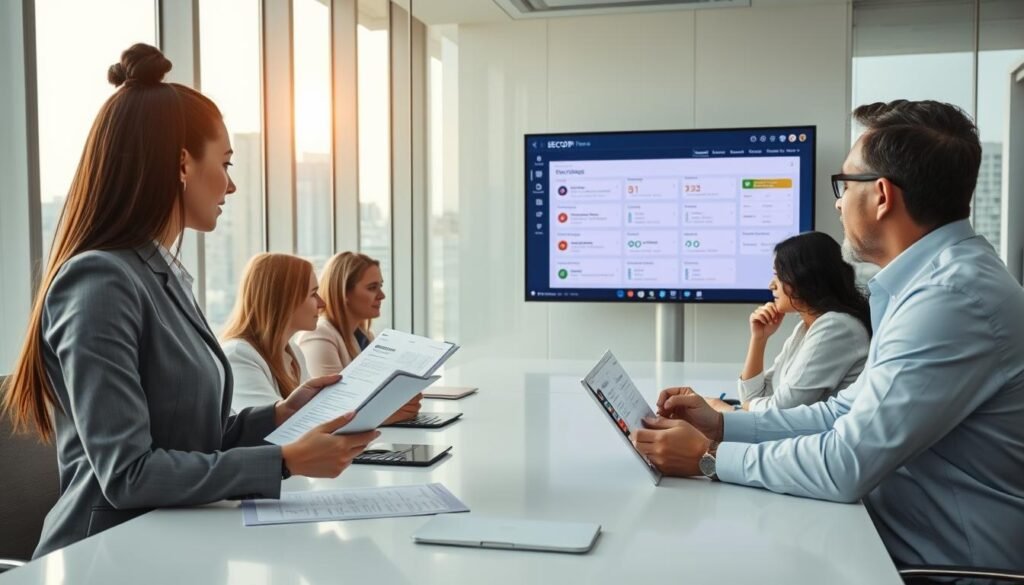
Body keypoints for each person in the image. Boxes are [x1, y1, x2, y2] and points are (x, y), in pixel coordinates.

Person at [0, 44, 378, 558]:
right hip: (106, 557)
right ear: (182, 163)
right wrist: (283, 461)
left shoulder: (162, 275)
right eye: (224, 163)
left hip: (176, 541)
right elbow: (129, 475)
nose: (232, 183)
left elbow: (189, 435)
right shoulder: (98, 282)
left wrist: (282, 413)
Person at [634, 100, 1024, 571]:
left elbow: (845, 464)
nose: (838, 202)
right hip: (899, 539)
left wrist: (709, 459)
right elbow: (844, 411)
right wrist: (720, 426)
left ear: (881, 196)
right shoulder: (930, 284)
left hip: (949, 568)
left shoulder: (952, 299)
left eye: (844, 184)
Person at [706, 232, 870, 413]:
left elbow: (780, 410)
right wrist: (759, 339)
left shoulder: (836, 327)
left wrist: (728, 411)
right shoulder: (806, 327)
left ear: (804, 278)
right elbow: (755, 397)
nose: (771, 285)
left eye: (778, 276)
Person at [299, 252, 421, 423]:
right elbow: (333, 410)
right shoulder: (319, 336)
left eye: (380, 286)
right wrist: (386, 414)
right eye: (372, 288)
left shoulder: (364, 336)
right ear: (344, 292)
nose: (381, 295)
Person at [221, 254, 322, 412]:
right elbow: (269, 426)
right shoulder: (238, 355)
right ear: (285, 299)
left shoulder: (293, 351)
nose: (322, 303)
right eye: (313, 294)